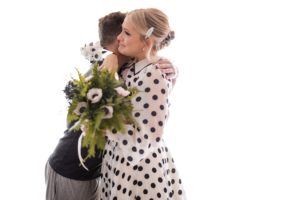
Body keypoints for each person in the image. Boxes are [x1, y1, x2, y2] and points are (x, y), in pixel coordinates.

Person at [45, 11, 178, 200]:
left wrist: (173, 70)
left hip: (104, 170)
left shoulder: (133, 68)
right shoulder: (105, 70)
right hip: (72, 168)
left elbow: (146, 117)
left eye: (126, 33)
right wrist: (109, 63)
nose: (121, 38)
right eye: (121, 34)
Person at [98, 8, 186, 200]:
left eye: (126, 33)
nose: (119, 38)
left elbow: (146, 140)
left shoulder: (154, 75)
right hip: (118, 164)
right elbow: (91, 49)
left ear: (147, 41)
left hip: (138, 173)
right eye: (121, 30)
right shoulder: (130, 65)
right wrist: (112, 57)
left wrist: (104, 126)